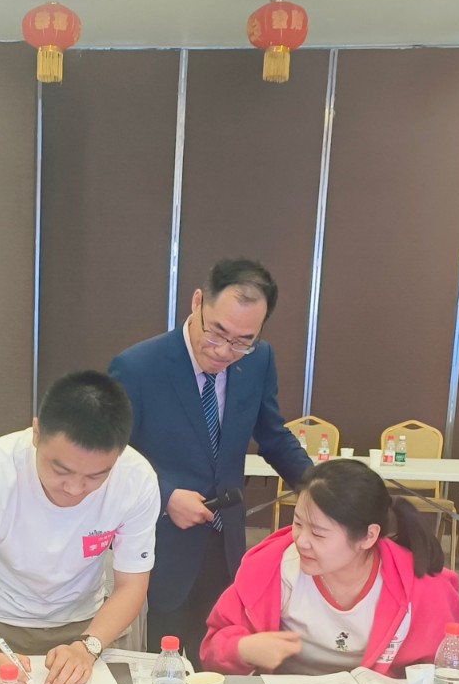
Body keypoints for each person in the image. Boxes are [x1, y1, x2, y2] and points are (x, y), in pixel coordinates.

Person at [110, 258, 313, 653]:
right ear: (197, 301)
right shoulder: (138, 367)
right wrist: (166, 496)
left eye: (242, 341)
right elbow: (111, 457)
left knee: (219, 664)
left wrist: (320, 489)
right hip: (160, 547)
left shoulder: (258, 360)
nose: (224, 351)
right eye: (217, 332)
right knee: (163, 669)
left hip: (226, 545)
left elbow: (273, 436)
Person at [0, 371, 160, 684]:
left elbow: (132, 586)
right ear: (37, 433)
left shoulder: (136, 480)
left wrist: (88, 647)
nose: (75, 489)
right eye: (60, 469)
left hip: (85, 625)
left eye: (95, 476)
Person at [202, 459, 459, 676]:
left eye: (318, 534)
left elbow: (450, 668)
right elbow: (213, 648)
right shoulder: (272, 569)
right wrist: (243, 649)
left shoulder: (419, 585)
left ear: (368, 536)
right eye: (297, 523)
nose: (301, 541)